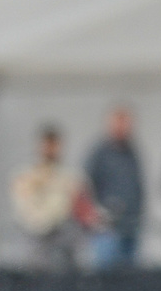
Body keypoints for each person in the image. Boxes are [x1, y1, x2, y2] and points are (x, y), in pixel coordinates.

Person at [12, 124, 93, 273]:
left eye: (54, 144)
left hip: (64, 236)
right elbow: (24, 208)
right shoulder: (26, 176)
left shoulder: (72, 177)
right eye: (46, 144)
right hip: (35, 237)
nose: (50, 149)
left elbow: (82, 207)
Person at [84, 106, 145, 269]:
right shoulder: (100, 154)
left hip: (130, 226)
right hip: (108, 230)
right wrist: (100, 214)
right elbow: (86, 187)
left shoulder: (131, 152)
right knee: (107, 278)